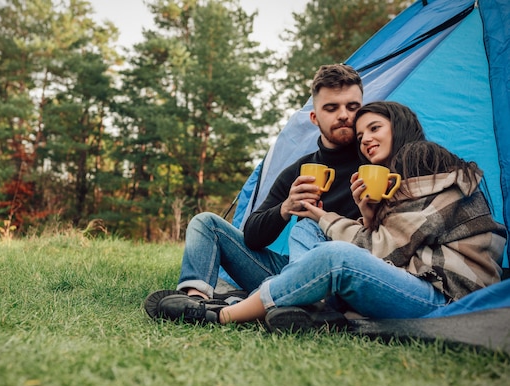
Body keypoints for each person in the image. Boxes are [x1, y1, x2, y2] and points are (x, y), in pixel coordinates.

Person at [155, 101, 507, 331]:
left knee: (335, 256)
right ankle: (288, 299)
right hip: (414, 279)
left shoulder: (420, 159)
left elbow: (385, 251)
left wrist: (356, 218)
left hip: (446, 297)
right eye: (360, 134)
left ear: (399, 127)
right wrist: (356, 213)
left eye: (375, 128)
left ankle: (223, 313)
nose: (365, 140)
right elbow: (397, 245)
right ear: (315, 117)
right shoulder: (384, 179)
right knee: (307, 226)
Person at [144, 64, 364, 318]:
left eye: (352, 107)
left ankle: (262, 304)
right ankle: (197, 302)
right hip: (292, 268)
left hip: (344, 274)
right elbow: (252, 236)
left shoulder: (377, 163)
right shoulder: (300, 170)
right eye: (331, 108)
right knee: (206, 223)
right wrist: (285, 209)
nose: (344, 115)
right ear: (314, 117)